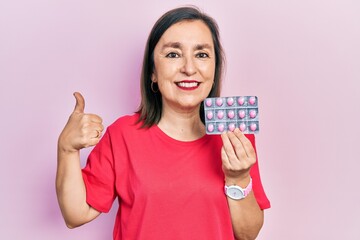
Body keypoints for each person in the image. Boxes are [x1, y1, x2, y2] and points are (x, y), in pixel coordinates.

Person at [56, 6, 270, 240]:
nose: (189, 68)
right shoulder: (123, 135)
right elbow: (76, 214)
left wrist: (238, 178)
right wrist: (66, 149)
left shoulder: (235, 138)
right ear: (153, 73)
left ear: (214, 68)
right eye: (173, 54)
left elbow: (247, 234)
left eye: (201, 55)